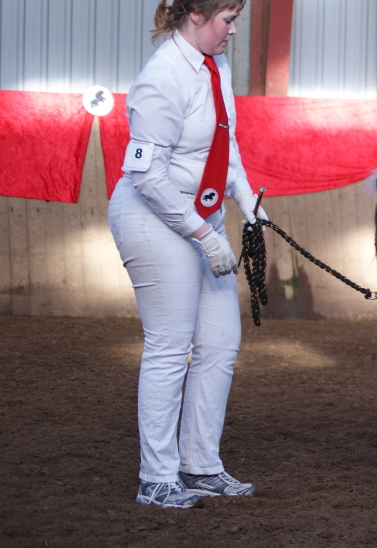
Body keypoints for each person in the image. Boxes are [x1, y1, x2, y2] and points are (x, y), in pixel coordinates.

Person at [107, 0, 267, 509]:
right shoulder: (161, 79)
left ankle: (200, 465)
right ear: (196, 15)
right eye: (228, 18)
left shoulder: (214, 65)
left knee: (220, 344)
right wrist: (203, 233)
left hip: (203, 218)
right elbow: (146, 176)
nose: (234, 30)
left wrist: (250, 206)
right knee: (171, 345)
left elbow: (226, 145)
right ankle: (157, 478)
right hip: (153, 218)